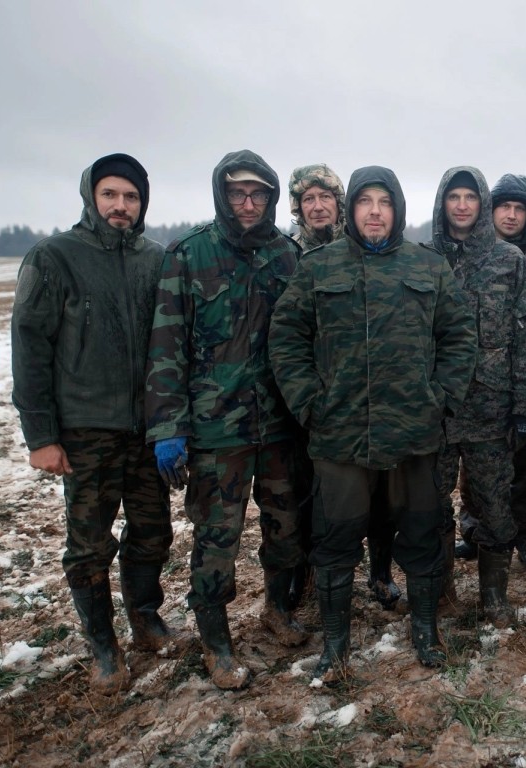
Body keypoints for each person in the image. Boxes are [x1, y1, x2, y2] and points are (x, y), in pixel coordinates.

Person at [268, 166, 476, 681]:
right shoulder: (318, 267)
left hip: (413, 435)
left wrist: (439, 398)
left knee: (423, 536)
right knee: (335, 542)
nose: (375, 212)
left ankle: (425, 632)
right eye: (365, 202)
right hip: (339, 437)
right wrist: (309, 403)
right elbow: (286, 338)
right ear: (351, 210)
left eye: (384, 202)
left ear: (398, 209)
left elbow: (459, 336)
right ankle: (336, 644)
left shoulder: (428, 268)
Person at [11, 153, 174, 695]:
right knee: (89, 545)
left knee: (152, 533)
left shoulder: (157, 259)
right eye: (110, 195)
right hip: (86, 430)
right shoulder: (54, 257)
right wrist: (41, 435)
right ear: (91, 197)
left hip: (147, 429)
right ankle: (102, 642)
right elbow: (30, 345)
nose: (120, 206)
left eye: (130, 197)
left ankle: (145, 616)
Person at [145, 150, 304, 691]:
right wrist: (169, 427)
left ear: (272, 198)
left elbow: (305, 339)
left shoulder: (288, 256)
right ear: (221, 194)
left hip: (281, 427)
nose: (248, 203)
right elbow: (165, 349)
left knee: (287, 529)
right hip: (217, 432)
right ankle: (217, 643)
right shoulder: (189, 256)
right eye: (237, 192)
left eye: (258, 194)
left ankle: (278, 610)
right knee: (218, 540)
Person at [428, 167, 526, 625]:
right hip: (435, 410)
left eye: (469, 197)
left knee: (495, 505)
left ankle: (494, 597)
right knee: (431, 505)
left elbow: (525, 339)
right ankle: (440, 590)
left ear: (482, 205)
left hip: (490, 410)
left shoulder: (508, 259)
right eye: (453, 196)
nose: (461, 205)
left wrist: (524, 405)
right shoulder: (424, 259)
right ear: (442, 203)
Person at [287, 164, 402, 613]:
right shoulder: (288, 252)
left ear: (340, 204)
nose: (317, 206)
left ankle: (379, 571)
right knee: (314, 500)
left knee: (377, 498)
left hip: (364, 402)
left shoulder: (359, 247)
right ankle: (311, 578)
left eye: (325, 198)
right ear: (297, 207)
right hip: (312, 399)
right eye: (307, 200)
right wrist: (307, 398)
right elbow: (288, 333)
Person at [455, 173, 526, 575]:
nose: (512, 215)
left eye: (520, 208)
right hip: (481, 387)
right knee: (477, 468)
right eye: (504, 207)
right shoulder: (468, 255)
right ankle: (473, 531)